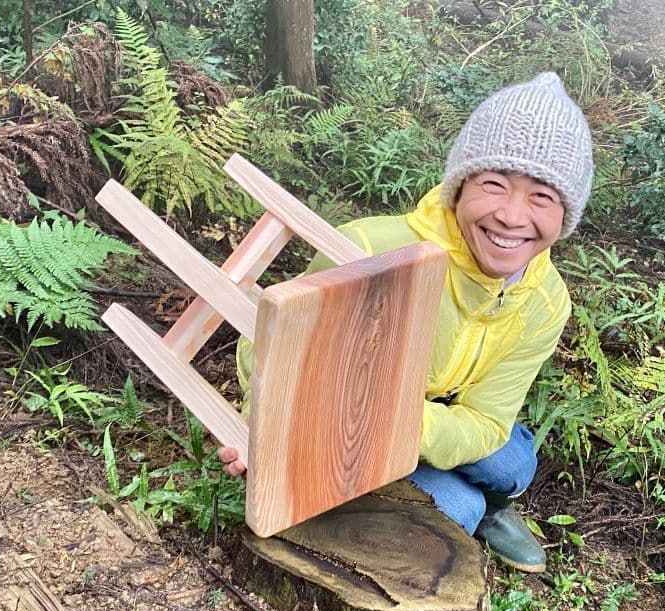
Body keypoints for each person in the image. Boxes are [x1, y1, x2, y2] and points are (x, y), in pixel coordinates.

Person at [219, 71, 593, 573]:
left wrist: (395, 422)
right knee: (460, 508)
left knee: (512, 462)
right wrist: (261, 428)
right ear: (457, 189)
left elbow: (485, 422)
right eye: (494, 184)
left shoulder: (546, 300)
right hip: (344, 417)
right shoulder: (371, 250)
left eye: (542, 197)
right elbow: (268, 340)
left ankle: (494, 509)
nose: (511, 215)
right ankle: (474, 509)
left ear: (566, 215)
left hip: (417, 423)